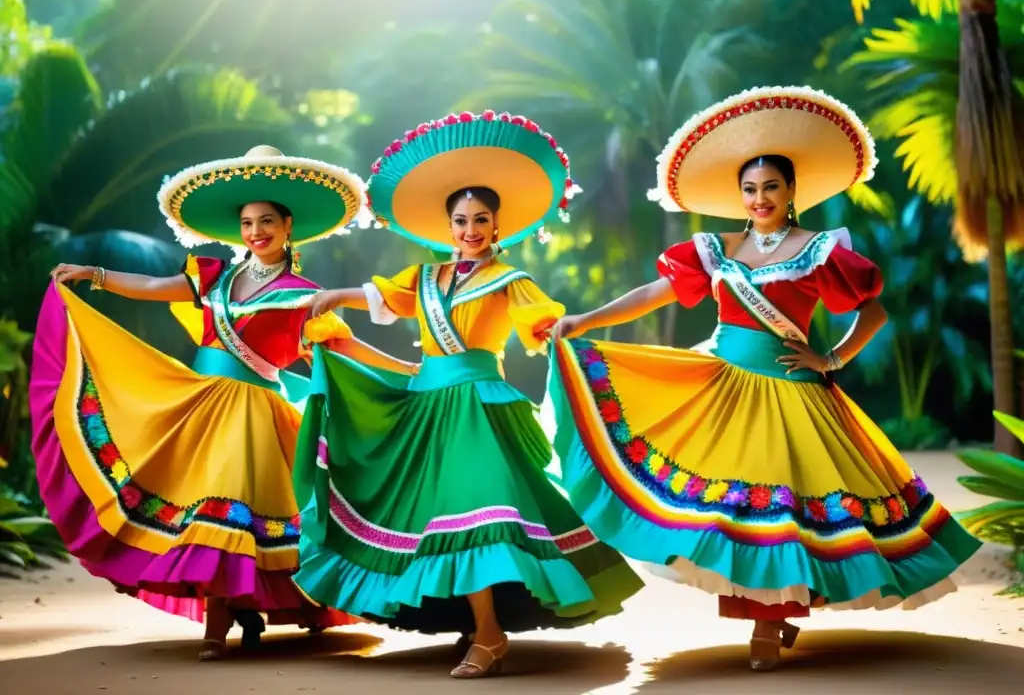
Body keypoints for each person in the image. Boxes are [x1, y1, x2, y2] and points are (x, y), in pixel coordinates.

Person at [545, 87, 982, 672]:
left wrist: (832, 359)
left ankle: (767, 622)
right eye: (749, 190)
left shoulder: (818, 249)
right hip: (722, 382)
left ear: (791, 191)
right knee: (729, 505)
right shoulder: (718, 247)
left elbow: (872, 313)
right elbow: (658, 293)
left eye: (770, 187)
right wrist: (588, 319)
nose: (758, 199)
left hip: (788, 390)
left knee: (780, 507)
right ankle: (765, 613)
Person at [31, 145, 418, 661]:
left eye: (266, 221)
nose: (255, 231)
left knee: (234, 508)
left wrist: (412, 370)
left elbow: (342, 345)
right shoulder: (214, 276)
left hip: (255, 414)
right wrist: (94, 275)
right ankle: (230, 617)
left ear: (287, 226)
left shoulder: (305, 293)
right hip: (198, 403)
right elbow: (154, 285)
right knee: (199, 507)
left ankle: (226, 624)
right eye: (246, 222)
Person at [297, 111, 644, 679]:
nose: (470, 230)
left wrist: (554, 329)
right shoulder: (427, 278)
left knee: (480, 509)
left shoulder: (511, 279)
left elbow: (538, 322)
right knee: (436, 516)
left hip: (479, 407)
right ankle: (480, 624)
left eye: (481, 220)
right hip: (426, 406)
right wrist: (335, 296)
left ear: (496, 224)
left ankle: (488, 634)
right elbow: (385, 299)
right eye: (460, 221)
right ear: (447, 225)